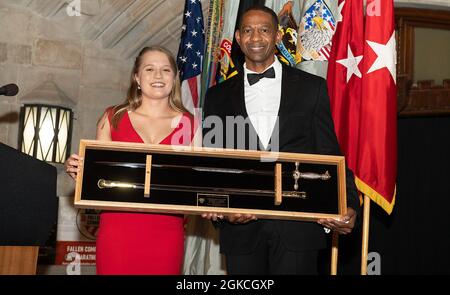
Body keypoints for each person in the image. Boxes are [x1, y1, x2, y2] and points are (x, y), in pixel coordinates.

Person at [201, 5, 360, 275]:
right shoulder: (216, 96)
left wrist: (349, 204)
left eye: (264, 30)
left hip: (298, 230)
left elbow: (330, 155)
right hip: (242, 233)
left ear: (277, 36)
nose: (256, 38)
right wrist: (223, 209)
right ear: (238, 38)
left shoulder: (312, 88)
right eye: (248, 31)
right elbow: (214, 163)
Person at [65, 46, 195, 275]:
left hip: (167, 231)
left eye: (165, 70)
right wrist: (81, 174)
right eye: (149, 69)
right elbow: (98, 183)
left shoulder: (190, 124)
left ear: (174, 78)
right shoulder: (113, 118)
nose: (158, 76)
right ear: (136, 76)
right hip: (118, 229)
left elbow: (195, 183)